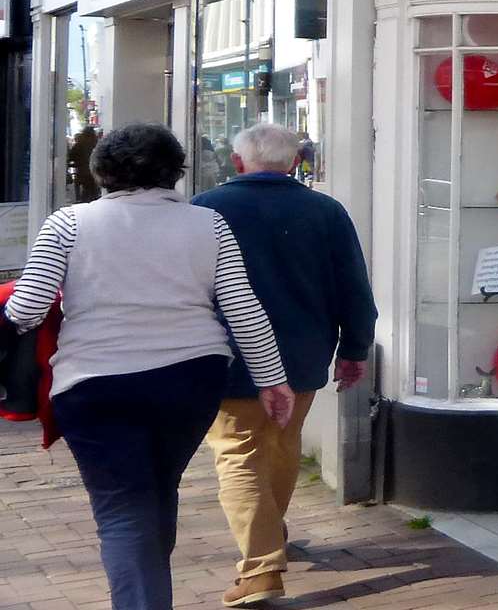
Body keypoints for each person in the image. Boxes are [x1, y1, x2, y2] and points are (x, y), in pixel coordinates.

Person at [2, 123, 292, 610]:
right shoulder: (209, 224)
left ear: (100, 171)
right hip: (190, 379)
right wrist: (272, 380)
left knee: (122, 510)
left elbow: (27, 308)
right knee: (158, 489)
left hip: (95, 384)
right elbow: (243, 309)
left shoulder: (68, 224)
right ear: (175, 172)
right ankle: (149, 588)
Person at [192, 122, 378, 608]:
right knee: (281, 444)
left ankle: (260, 570)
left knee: (239, 452)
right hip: (303, 354)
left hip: (230, 355)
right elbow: (354, 287)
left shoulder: (206, 210)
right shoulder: (325, 211)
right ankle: (270, 539)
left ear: (237, 163)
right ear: (294, 163)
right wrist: (355, 349)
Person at [68, 125, 100, 202]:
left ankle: (80, 200)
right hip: (94, 172)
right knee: (93, 190)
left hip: (82, 172)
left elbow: (71, 156)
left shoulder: (80, 143)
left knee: (84, 188)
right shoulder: (97, 143)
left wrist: (72, 163)